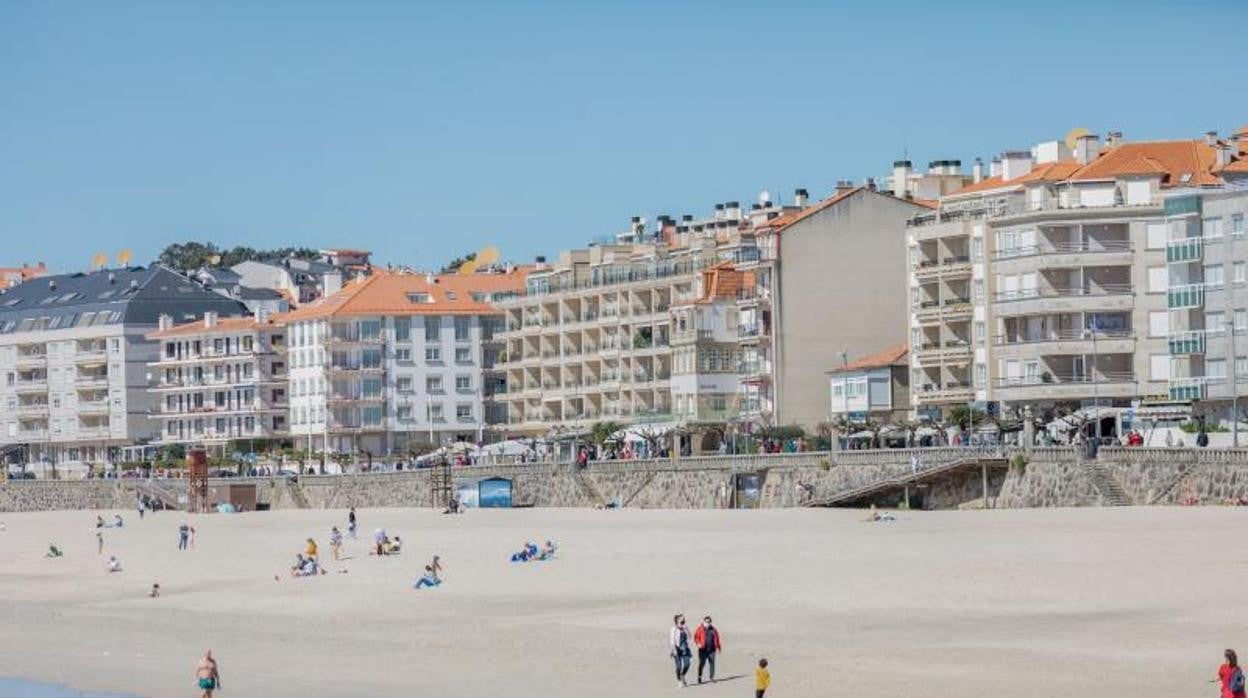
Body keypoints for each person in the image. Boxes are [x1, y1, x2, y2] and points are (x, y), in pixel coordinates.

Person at [693, 616, 721, 684]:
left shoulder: (713, 629)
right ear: (703, 622)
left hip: (712, 650)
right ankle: (699, 677)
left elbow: (717, 638)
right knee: (702, 664)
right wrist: (698, 644)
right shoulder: (700, 629)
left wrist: (718, 647)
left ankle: (711, 677)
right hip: (703, 650)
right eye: (706, 622)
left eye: (709, 622)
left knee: (712, 663)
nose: (707, 623)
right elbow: (696, 637)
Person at [670, 614, 693, 687]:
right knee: (678, 666)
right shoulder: (673, 629)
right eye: (682, 620)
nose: (683, 621)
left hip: (685, 648)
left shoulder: (685, 628)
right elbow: (672, 640)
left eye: (684, 620)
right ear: (677, 620)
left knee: (687, 664)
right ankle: (679, 680)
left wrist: (687, 630)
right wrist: (674, 650)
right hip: (677, 648)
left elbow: (689, 637)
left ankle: (682, 675)